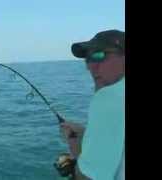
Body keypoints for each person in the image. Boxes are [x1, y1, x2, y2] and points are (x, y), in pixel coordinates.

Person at [60, 29, 125, 180]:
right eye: (88, 59)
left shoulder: (110, 97)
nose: (90, 66)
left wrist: (75, 146)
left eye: (99, 55)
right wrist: (89, 135)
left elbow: (88, 177)